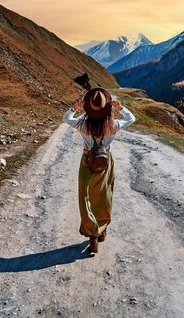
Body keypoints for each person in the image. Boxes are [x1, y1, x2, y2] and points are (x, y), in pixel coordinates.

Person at [62, 88, 136, 255]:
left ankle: (92, 236)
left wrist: (75, 107)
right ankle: (102, 230)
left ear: (88, 108)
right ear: (106, 108)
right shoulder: (113, 125)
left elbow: (66, 118)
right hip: (106, 162)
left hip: (87, 162)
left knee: (85, 197)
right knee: (103, 196)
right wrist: (120, 107)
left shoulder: (82, 124)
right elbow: (132, 118)